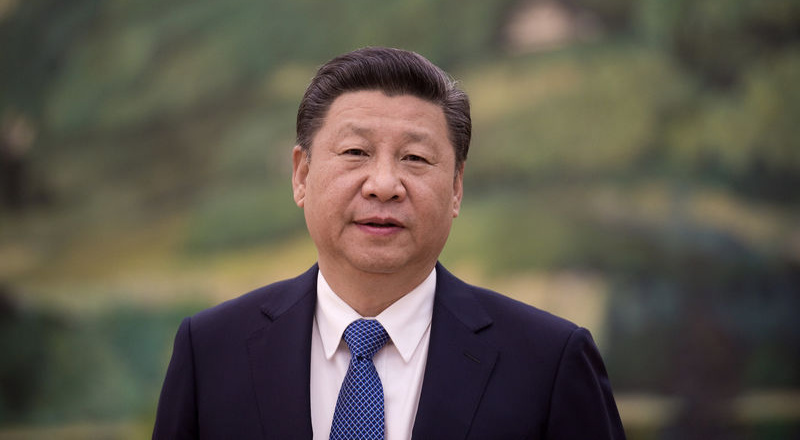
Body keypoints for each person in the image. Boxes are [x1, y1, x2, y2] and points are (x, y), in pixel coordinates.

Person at [153, 47, 626, 439]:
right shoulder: (213, 351)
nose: (384, 184)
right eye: (356, 152)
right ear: (302, 174)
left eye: (415, 157)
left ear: (457, 187)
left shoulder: (549, 362)